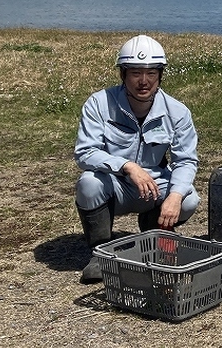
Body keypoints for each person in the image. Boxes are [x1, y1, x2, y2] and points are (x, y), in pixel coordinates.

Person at [73, 34, 200, 283]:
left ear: (160, 74)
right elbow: (85, 152)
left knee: (189, 199)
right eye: (135, 73)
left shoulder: (178, 112)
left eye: (151, 73)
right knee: (88, 184)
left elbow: (185, 160)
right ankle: (101, 252)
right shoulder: (98, 103)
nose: (144, 81)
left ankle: (153, 227)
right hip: (116, 185)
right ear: (123, 74)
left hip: (154, 185)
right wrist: (127, 166)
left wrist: (174, 197)